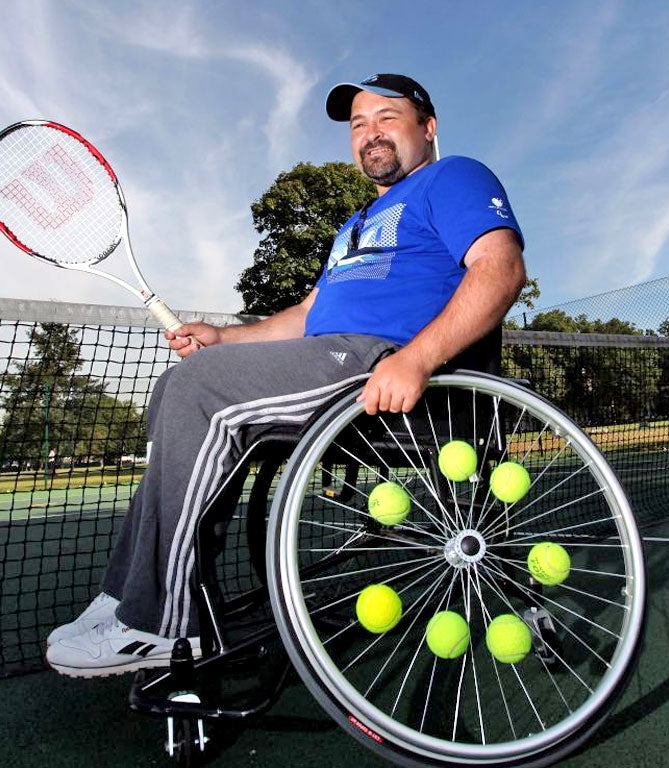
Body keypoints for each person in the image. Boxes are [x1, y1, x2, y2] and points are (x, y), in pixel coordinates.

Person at [45, 74, 527, 677]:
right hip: (330, 360)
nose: (369, 133)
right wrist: (223, 337)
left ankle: (159, 626)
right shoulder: (354, 227)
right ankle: (128, 594)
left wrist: (418, 358)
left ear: (427, 128)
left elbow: (501, 269)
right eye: (357, 124)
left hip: (391, 366)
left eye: (386, 117)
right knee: (178, 384)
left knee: (200, 390)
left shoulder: (453, 176)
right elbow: (304, 317)